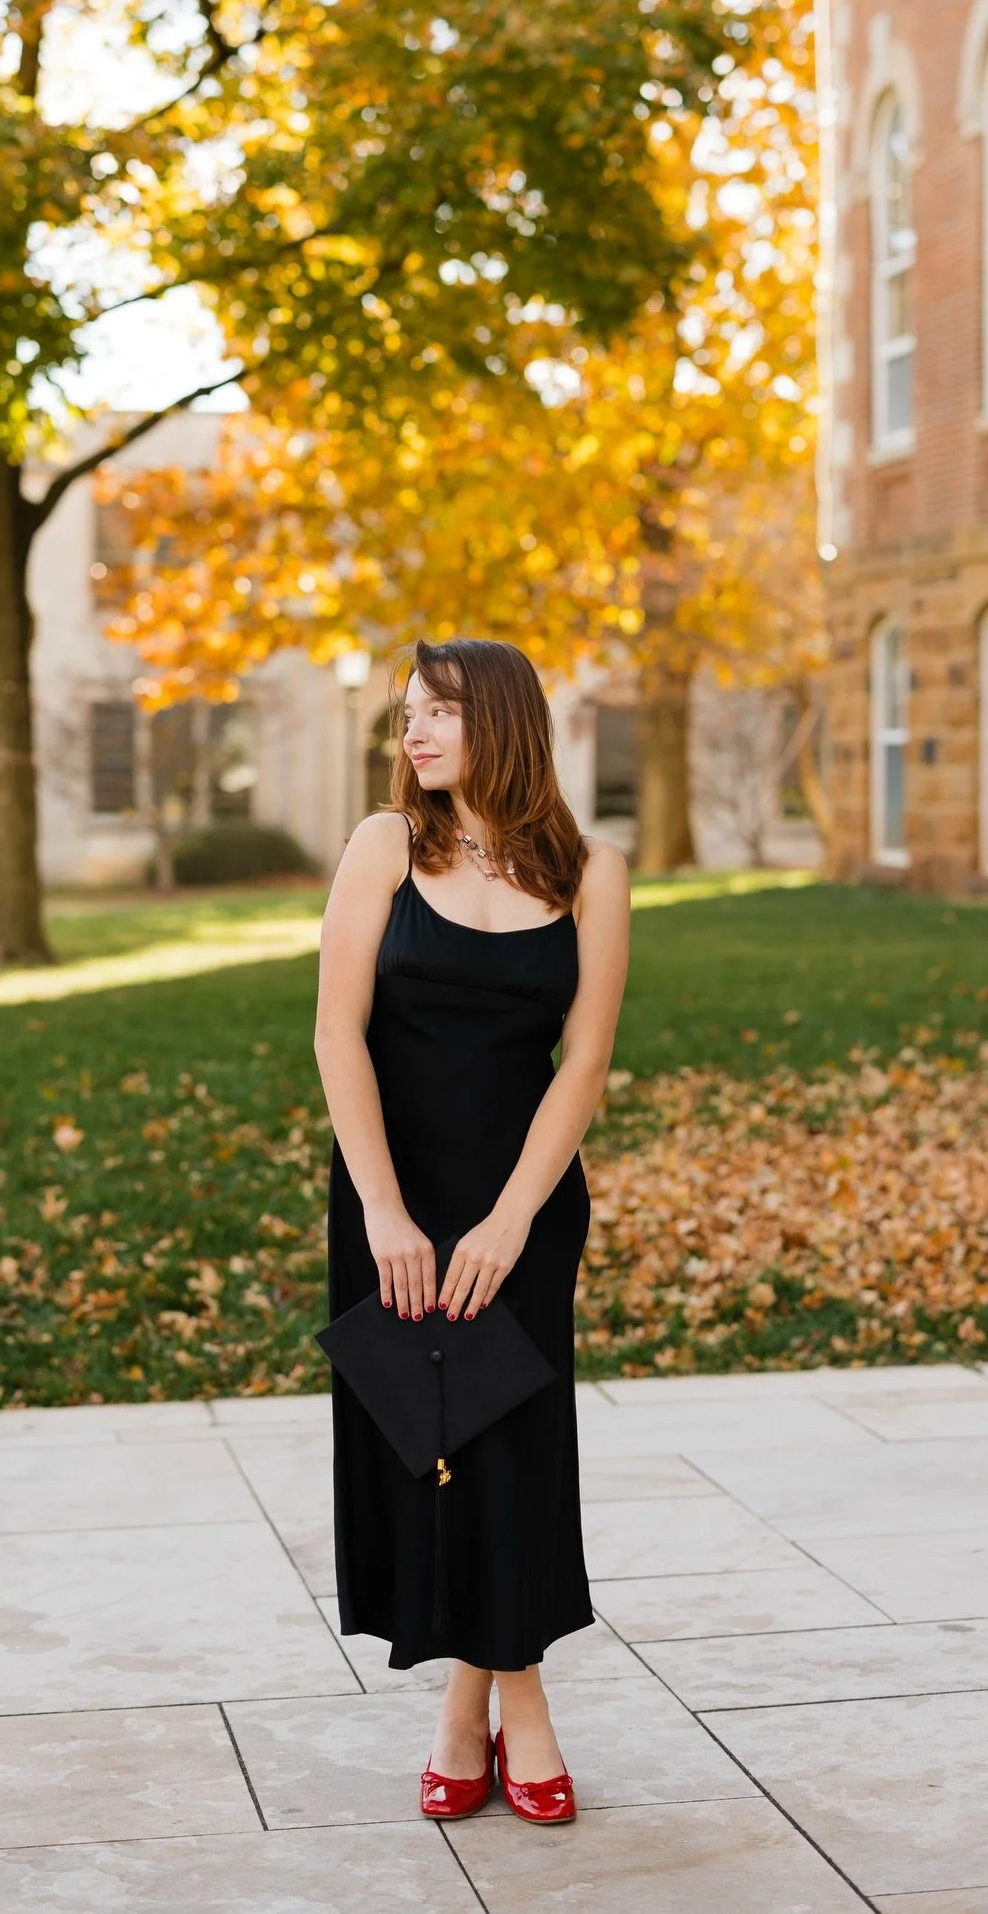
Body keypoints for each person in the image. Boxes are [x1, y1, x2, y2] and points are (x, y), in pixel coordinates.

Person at [313, 636, 630, 1824]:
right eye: (406, 715)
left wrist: (510, 1217)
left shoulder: (593, 870)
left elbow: (584, 1059)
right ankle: (489, 1705)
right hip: (391, 1193)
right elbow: (337, 1034)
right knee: (431, 1443)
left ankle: (494, 1710)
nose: (416, 734)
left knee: (516, 1446)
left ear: (501, 718)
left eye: (438, 710)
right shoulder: (383, 845)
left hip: (525, 1204)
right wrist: (388, 1210)